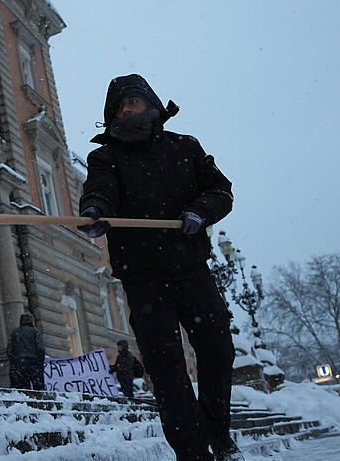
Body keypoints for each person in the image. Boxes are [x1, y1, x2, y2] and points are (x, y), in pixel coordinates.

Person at [78, 74, 242, 461]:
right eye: (120, 106)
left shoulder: (185, 147)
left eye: (133, 102)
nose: (127, 110)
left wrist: (199, 213)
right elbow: (100, 189)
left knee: (218, 350)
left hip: (192, 270)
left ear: (150, 103)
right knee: (166, 368)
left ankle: (219, 435)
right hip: (143, 277)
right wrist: (96, 211)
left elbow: (221, 192)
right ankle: (192, 452)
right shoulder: (105, 157)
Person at [5, 312, 47, 391]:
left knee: (22, 388)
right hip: (34, 362)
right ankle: (39, 401)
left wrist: (14, 361)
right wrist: (40, 361)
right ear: (31, 321)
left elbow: (9, 350)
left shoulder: (15, 333)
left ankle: (25, 402)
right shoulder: (35, 332)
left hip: (19, 363)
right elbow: (41, 348)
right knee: (38, 388)